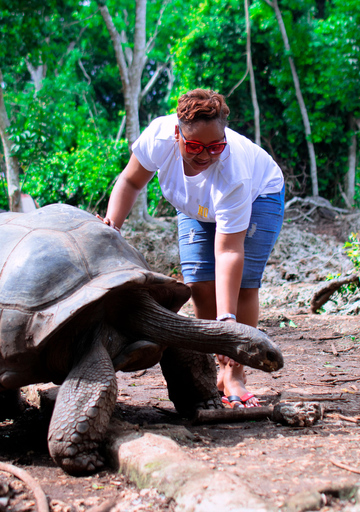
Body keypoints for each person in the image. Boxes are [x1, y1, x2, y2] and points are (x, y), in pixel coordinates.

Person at [100, 89, 285, 408]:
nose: (204, 155)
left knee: (242, 288)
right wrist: (111, 226)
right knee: (199, 286)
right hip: (194, 207)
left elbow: (228, 251)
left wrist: (227, 321)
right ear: (177, 133)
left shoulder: (234, 172)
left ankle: (235, 375)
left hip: (259, 197)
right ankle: (210, 371)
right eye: (194, 146)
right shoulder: (158, 138)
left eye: (215, 146)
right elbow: (131, 182)